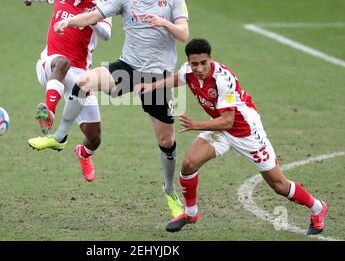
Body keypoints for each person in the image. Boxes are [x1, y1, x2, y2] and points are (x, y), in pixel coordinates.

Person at [28, 0, 189, 219]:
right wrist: (69, 21)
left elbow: (184, 34)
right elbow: (94, 16)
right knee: (83, 81)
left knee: (166, 141)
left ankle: (170, 192)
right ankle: (59, 137)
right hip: (126, 68)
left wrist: (163, 22)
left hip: (157, 78)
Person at [135, 38, 328, 234]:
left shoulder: (222, 79)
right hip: (219, 128)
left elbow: (228, 121)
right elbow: (179, 78)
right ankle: (191, 213)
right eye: (195, 64)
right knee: (188, 164)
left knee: (279, 185)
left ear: (211, 59)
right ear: (189, 62)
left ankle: (318, 208)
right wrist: (153, 86)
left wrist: (196, 125)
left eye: (204, 63)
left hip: (246, 131)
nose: (199, 68)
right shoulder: (188, 70)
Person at [25, 0, 112, 182]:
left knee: (95, 137)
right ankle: (50, 115)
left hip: (80, 76)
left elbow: (106, 34)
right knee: (62, 62)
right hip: (50, 63)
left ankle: (83, 154)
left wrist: (91, 18)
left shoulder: (102, 6)